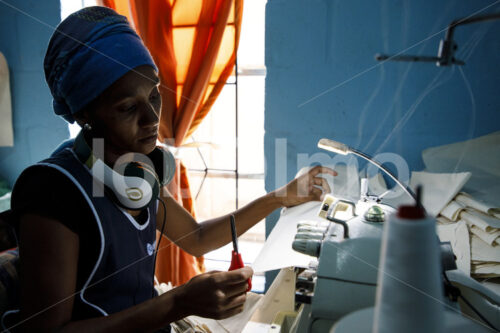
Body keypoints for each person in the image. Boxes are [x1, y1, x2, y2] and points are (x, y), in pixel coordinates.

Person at [3, 6, 336, 333]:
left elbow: (198, 238)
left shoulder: (135, 174)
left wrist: (279, 198)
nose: (152, 119)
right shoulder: (52, 191)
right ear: (85, 114)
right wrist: (177, 303)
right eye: (127, 107)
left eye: (154, 94)